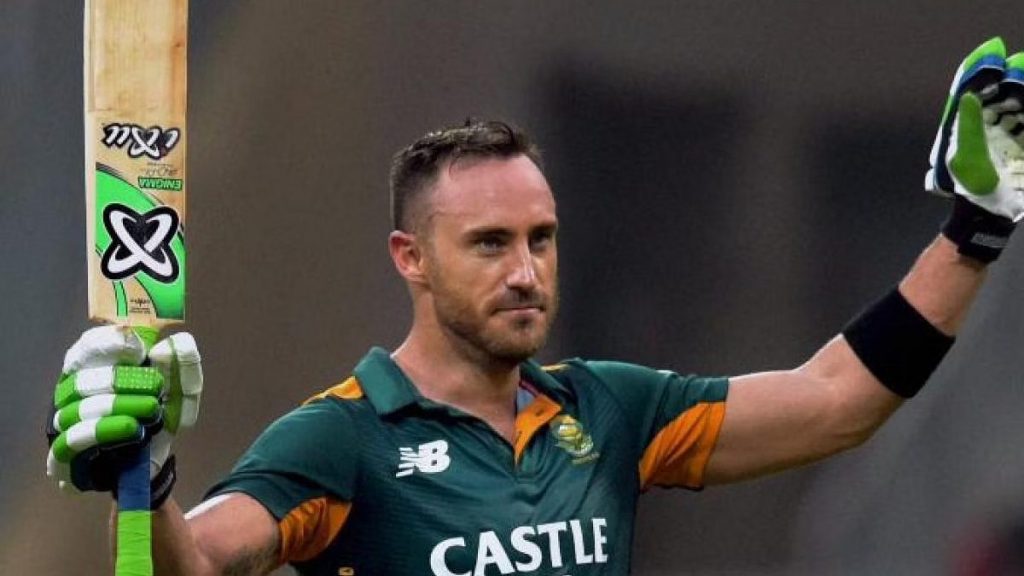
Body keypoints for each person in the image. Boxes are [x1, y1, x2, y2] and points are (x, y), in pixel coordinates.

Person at [47, 38, 1024, 575]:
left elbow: (838, 400)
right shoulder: (340, 440)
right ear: (411, 259)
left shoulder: (611, 410)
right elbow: (193, 564)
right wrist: (147, 478)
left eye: (540, 239)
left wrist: (973, 230)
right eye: (489, 244)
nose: (525, 271)